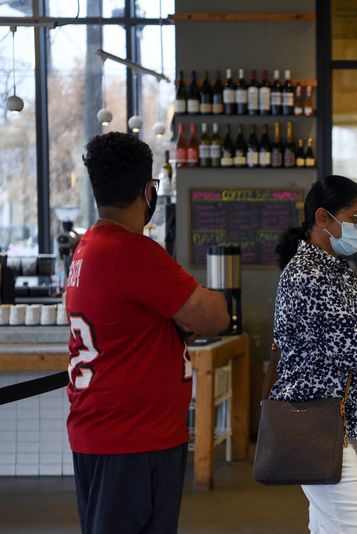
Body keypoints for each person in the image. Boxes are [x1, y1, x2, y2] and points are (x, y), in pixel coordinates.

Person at [67, 132, 230, 534]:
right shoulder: (132, 251)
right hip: (136, 439)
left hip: (105, 431)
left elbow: (127, 323)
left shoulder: (89, 246)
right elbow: (214, 316)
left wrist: (168, 326)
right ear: (148, 190)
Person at [273, 174, 357, 534]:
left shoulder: (338, 271)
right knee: (348, 528)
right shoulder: (307, 276)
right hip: (316, 417)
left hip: (345, 417)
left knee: (329, 525)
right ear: (323, 218)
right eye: (355, 218)